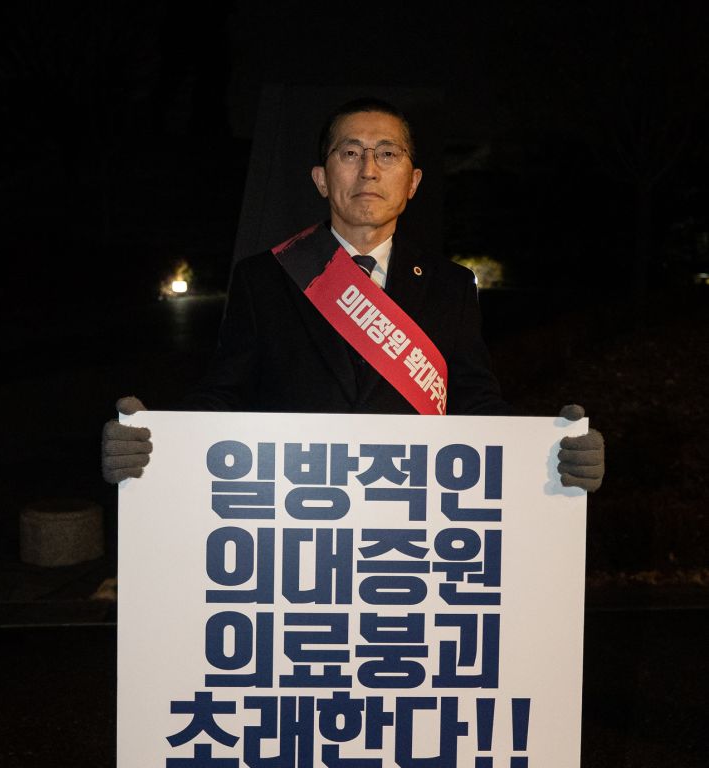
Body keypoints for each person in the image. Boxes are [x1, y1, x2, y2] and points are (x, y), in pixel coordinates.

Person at [102, 97, 604, 489]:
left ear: (413, 182)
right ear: (322, 179)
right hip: (297, 506)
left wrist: (550, 452)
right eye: (350, 153)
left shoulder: (450, 286)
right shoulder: (265, 277)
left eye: (387, 154)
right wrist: (157, 440)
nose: (368, 170)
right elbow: (225, 393)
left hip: (409, 506)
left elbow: (473, 402)